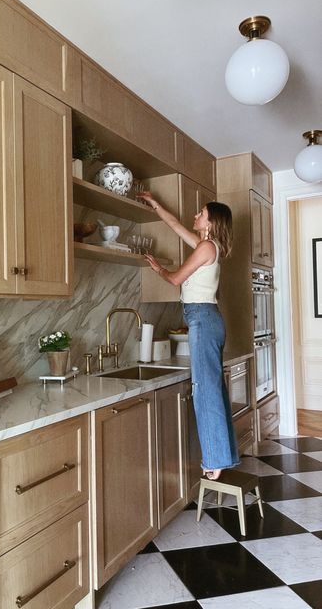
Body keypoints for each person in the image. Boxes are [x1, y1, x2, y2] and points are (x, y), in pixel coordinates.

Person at [138, 191, 239, 480]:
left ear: (210, 223)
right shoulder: (208, 245)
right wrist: (156, 204)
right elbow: (175, 225)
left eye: (200, 214)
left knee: (205, 390)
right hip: (206, 319)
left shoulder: (206, 247)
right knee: (212, 389)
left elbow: (175, 279)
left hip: (203, 319)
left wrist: (159, 269)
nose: (195, 216)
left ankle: (214, 460)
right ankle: (223, 455)